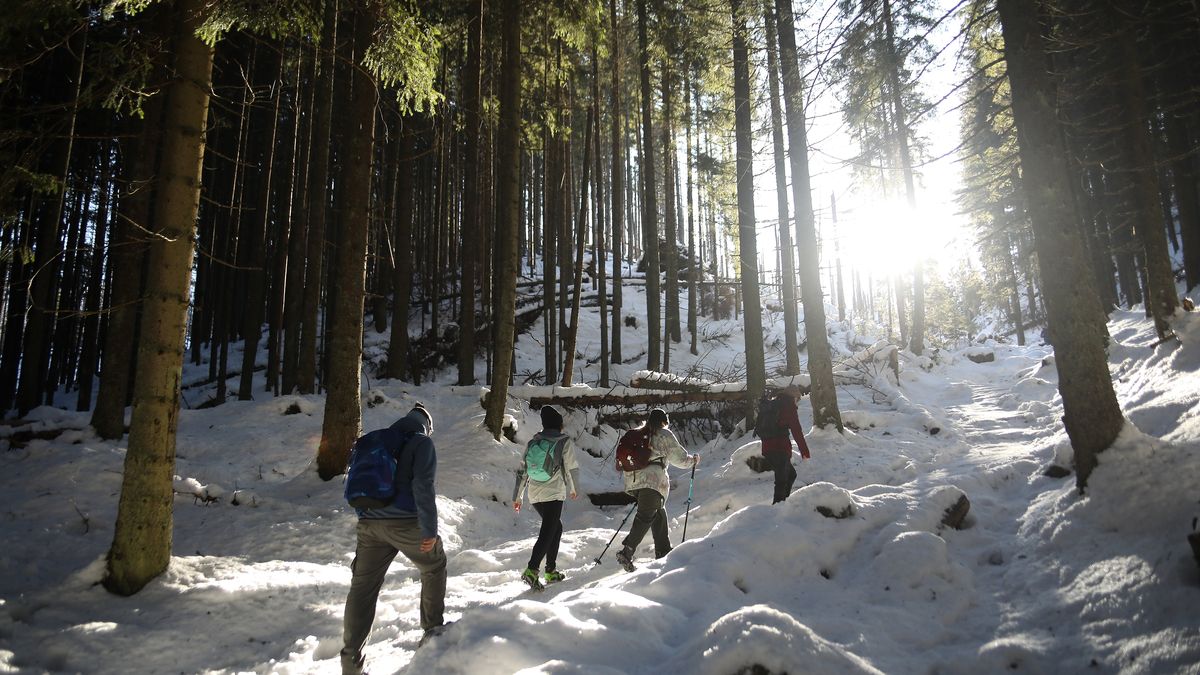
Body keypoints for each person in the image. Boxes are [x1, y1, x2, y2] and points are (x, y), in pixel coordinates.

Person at [340, 404, 446, 675]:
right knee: (433, 565)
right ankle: (432, 634)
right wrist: (430, 530)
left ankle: (350, 662)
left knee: (363, 588)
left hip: (369, 524)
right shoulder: (421, 443)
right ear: (426, 426)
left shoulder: (376, 442)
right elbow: (423, 486)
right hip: (406, 523)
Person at [615, 408, 699, 572]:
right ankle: (627, 551)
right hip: (652, 481)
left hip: (633, 481)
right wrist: (693, 461)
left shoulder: (637, 433)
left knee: (659, 513)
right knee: (645, 516)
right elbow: (680, 459)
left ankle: (664, 551)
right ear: (664, 421)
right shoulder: (663, 434)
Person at [512, 404, 580, 590]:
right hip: (554, 493)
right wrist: (574, 488)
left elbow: (522, 471)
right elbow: (571, 467)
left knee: (555, 528)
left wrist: (517, 497)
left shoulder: (534, 442)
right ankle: (532, 569)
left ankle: (550, 571)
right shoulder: (563, 441)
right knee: (548, 531)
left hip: (535, 494)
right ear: (559, 425)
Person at [759, 386, 811, 504]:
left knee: (791, 475)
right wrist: (805, 451)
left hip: (767, 449)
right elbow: (796, 431)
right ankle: (777, 508)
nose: (797, 401)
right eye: (797, 399)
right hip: (780, 449)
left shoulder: (774, 404)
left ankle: (783, 504)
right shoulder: (788, 407)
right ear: (794, 397)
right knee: (782, 480)